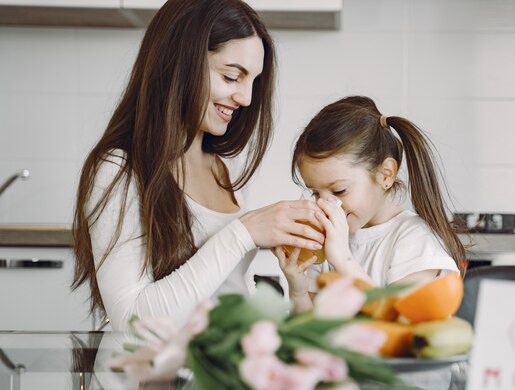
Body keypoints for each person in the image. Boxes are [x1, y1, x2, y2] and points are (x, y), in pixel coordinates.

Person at [72, 0, 325, 331]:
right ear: (180, 63)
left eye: (252, 81)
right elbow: (132, 320)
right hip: (159, 381)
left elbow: (226, 293)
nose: (246, 98)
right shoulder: (119, 170)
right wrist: (245, 232)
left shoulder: (222, 169)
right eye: (232, 76)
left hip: (219, 376)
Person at [273, 96, 466, 312]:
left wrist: (344, 259)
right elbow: (313, 328)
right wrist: (298, 290)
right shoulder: (329, 244)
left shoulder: (415, 241)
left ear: (386, 175)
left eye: (339, 191)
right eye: (316, 193)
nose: (326, 205)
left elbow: (395, 321)